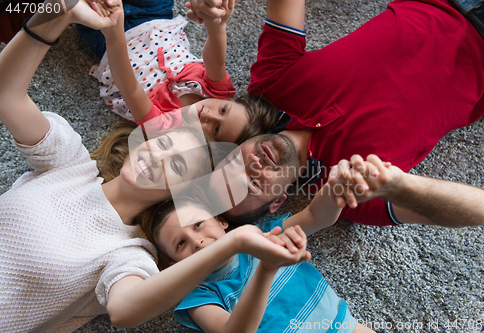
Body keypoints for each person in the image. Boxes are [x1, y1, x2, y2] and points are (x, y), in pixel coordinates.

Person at [0, 1, 305, 331]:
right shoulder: (70, 161)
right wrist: (56, 14)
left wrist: (231, 243)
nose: (157, 158)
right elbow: (7, 95)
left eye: (176, 166)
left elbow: (124, 311)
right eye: (162, 144)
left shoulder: (129, 254)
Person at [187, 0, 484, 227]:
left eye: (232, 166)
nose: (252, 166)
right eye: (253, 186)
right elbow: (482, 210)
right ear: (278, 202)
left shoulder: (271, 84)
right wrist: (399, 186)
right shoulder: (351, 195)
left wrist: (217, 9)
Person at [136, 155, 407, 333]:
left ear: (221, 221)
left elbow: (315, 216)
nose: (196, 241)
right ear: (173, 264)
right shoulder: (197, 296)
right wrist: (266, 270)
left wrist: (334, 189)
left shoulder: (263, 234)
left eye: (198, 225)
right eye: (180, 243)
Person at [88, 0, 277, 144]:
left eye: (216, 129)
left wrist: (114, 33)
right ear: (228, 100)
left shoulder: (167, 128)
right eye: (223, 110)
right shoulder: (218, 91)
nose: (209, 116)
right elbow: (215, 60)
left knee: (81, 7)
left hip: (110, 39)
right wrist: (217, 22)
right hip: (155, 18)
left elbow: (130, 89)